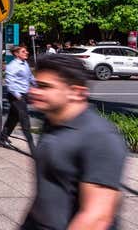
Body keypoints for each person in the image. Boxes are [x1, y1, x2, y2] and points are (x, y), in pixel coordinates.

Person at [22, 54, 127, 230]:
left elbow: (96, 217)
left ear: (76, 93)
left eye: (44, 87)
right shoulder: (52, 122)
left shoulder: (99, 137)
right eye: (35, 84)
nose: (34, 91)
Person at [0, 45, 36, 153]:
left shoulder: (25, 64)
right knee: (25, 120)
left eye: (26, 51)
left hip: (23, 95)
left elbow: (30, 77)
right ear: (16, 54)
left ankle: (2, 138)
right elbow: (10, 82)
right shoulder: (12, 66)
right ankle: (33, 148)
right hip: (16, 96)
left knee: (13, 118)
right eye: (23, 51)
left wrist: (38, 86)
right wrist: (18, 96)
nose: (27, 52)